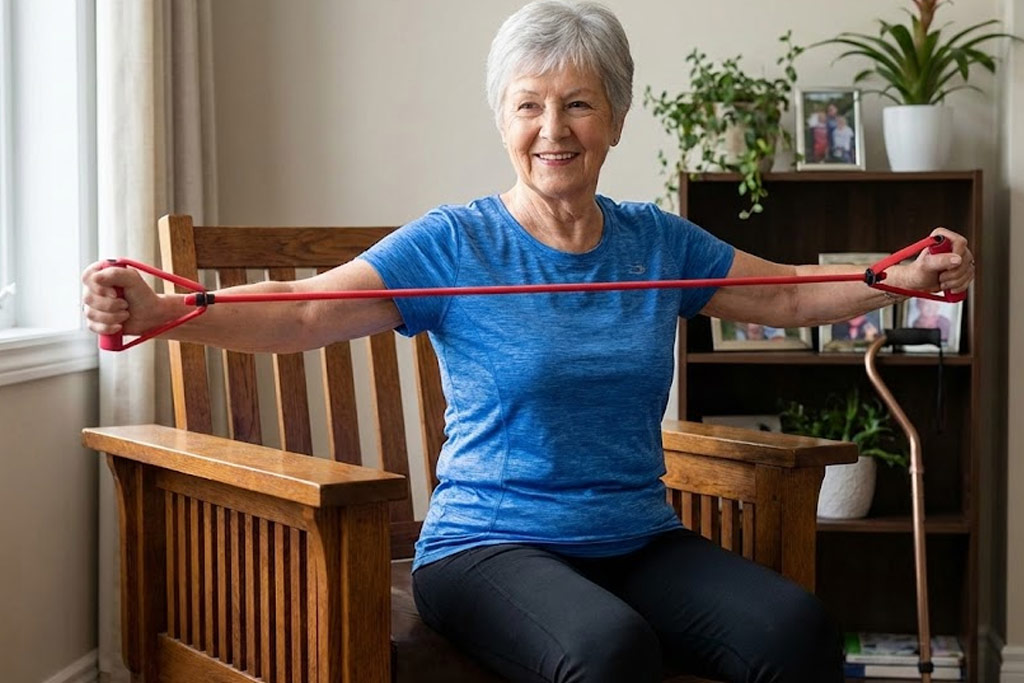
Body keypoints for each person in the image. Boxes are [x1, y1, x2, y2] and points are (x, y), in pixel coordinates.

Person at [81, 2, 975, 681]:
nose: (554, 130)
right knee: (608, 653)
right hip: (486, 547)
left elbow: (777, 292)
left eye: (579, 103)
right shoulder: (453, 243)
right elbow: (311, 309)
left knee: (796, 629)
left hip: (634, 534)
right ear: (503, 120)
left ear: (616, 119)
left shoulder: (656, 242)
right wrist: (171, 311)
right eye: (530, 105)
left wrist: (889, 278)